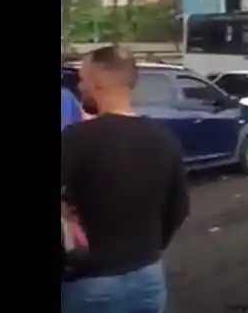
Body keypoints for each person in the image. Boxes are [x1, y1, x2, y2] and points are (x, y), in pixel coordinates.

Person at [61, 46, 190, 313]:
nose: (80, 86)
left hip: (90, 283)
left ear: (97, 82)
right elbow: (179, 208)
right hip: (149, 279)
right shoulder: (165, 140)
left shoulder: (76, 139)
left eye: (83, 78)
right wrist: (147, 251)